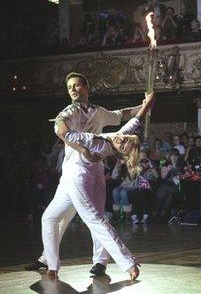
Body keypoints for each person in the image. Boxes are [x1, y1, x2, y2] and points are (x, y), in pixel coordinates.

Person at [25, 71, 150, 277]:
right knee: (51, 218)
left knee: (94, 218)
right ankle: (51, 263)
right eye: (69, 87)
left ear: (86, 88)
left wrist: (79, 145)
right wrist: (145, 105)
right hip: (76, 170)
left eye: (76, 85)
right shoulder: (75, 114)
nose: (73, 89)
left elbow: (119, 116)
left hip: (82, 171)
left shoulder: (98, 120)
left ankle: (120, 262)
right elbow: (130, 122)